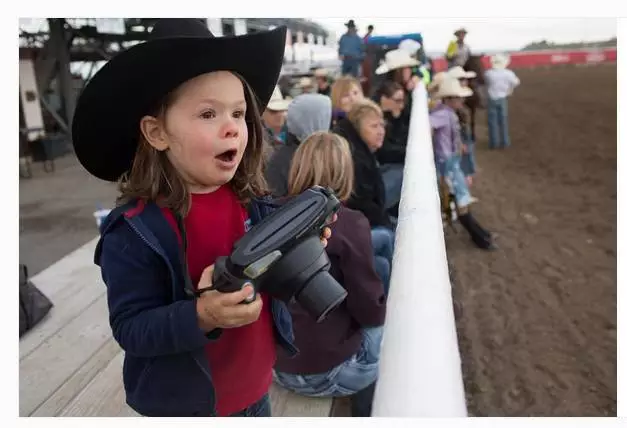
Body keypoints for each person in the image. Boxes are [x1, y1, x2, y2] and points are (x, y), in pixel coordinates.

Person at [70, 19, 335, 417]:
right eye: (208, 113)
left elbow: (265, 280)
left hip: (256, 390)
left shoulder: (255, 204)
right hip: (188, 409)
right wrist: (201, 315)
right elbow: (131, 328)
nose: (232, 128)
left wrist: (299, 257)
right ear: (157, 133)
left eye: (239, 113)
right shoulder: (134, 232)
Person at [274, 131, 387, 417]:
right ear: (344, 172)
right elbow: (370, 312)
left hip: (277, 366)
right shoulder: (349, 222)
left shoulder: (270, 212)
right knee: (400, 330)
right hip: (326, 373)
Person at [333, 99, 396, 288]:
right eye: (374, 126)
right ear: (359, 129)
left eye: (382, 125)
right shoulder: (356, 158)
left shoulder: (360, 150)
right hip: (354, 231)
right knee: (388, 236)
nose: (381, 131)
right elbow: (361, 203)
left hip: (356, 227)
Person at [429, 77, 497, 250]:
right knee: (459, 201)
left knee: (459, 201)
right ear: (450, 99)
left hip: (448, 162)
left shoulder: (444, 113)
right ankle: (480, 237)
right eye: (458, 98)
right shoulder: (443, 115)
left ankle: (481, 235)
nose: (461, 100)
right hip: (447, 163)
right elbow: (430, 125)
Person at [265, 93, 332, 197]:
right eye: (273, 111)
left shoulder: (328, 151)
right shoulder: (282, 160)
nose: (281, 115)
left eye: (283, 111)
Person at [375, 49, 421, 126]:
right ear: (399, 70)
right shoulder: (390, 92)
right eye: (408, 67)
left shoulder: (396, 86)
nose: (411, 71)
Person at [484, 53, 520, 149]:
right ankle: (505, 142)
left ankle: (494, 143)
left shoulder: (488, 73)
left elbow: (485, 82)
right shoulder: (508, 73)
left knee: (492, 122)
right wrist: (509, 89)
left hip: (492, 98)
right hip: (503, 98)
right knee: (503, 121)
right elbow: (516, 82)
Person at [262, 86, 291, 151]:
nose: (280, 115)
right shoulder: (256, 136)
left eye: (282, 110)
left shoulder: (291, 130)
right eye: (273, 111)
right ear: (261, 112)